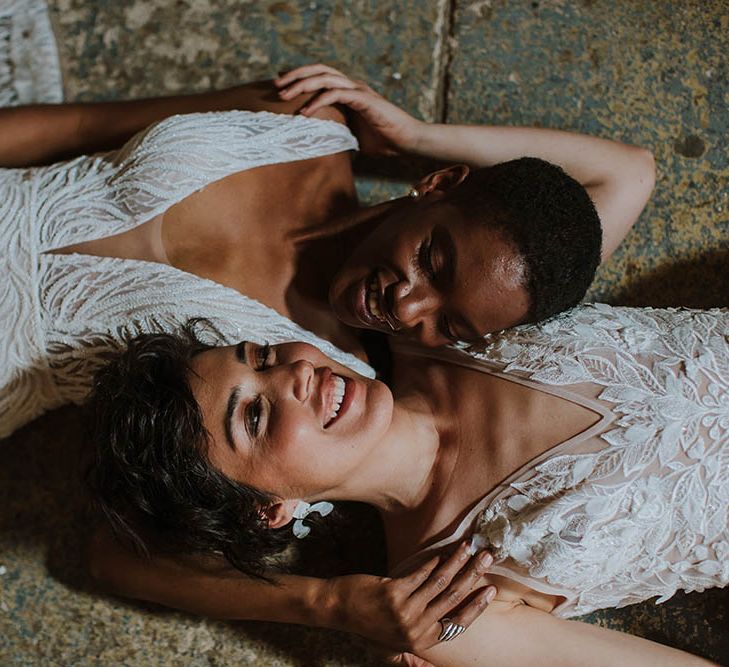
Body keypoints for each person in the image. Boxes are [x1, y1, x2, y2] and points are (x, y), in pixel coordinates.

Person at [0, 56, 655, 438]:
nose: (406, 306)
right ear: (438, 184)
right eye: (432, 260)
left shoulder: (322, 379)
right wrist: (414, 134)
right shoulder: (306, 121)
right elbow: (632, 170)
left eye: (446, 323)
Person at [88, 302, 728, 665]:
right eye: (253, 416)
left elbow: (622, 178)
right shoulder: (445, 602)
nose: (292, 376)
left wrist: (418, 140)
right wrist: (326, 605)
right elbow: (112, 560)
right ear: (271, 509)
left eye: (261, 356)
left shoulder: (429, 318)